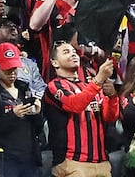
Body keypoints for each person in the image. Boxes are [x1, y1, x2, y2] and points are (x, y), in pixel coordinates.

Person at [44, 40, 118, 177]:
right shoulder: (54, 86)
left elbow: (110, 117)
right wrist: (98, 80)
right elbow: (74, 105)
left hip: (102, 163)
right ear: (55, 63)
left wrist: (112, 96)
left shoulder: (90, 87)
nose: (73, 54)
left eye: (74, 52)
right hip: (72, 163)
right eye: (66, 52)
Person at [0, 42, 43, 177]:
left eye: (14, 68)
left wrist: (37, 113)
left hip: (29, 159)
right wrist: (13, 115)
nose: (12, 73)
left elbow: (37, 128)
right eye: (7, 69)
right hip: (4, 161)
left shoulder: (24, 88)